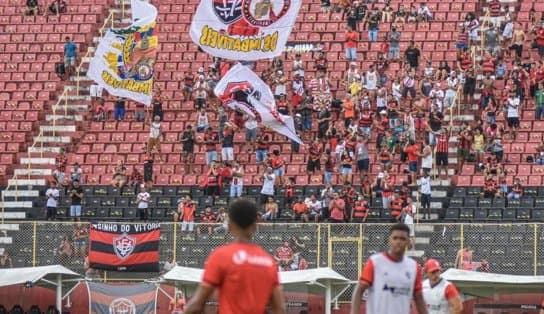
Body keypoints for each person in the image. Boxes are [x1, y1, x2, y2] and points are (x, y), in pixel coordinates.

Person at [185, 199, 286, 314]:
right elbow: (279, 309)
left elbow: (196, 305)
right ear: (254, 226)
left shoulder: (221, 256)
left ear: (230, 225)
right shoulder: (268, 261)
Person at [351, 223, 427, 314]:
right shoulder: (375, 262)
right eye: (395, 238)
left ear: (408, 242)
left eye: (402, 239)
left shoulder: (413, 267)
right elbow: (359, 289)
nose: (398, 241)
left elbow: (419, 297)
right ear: (389, 240)